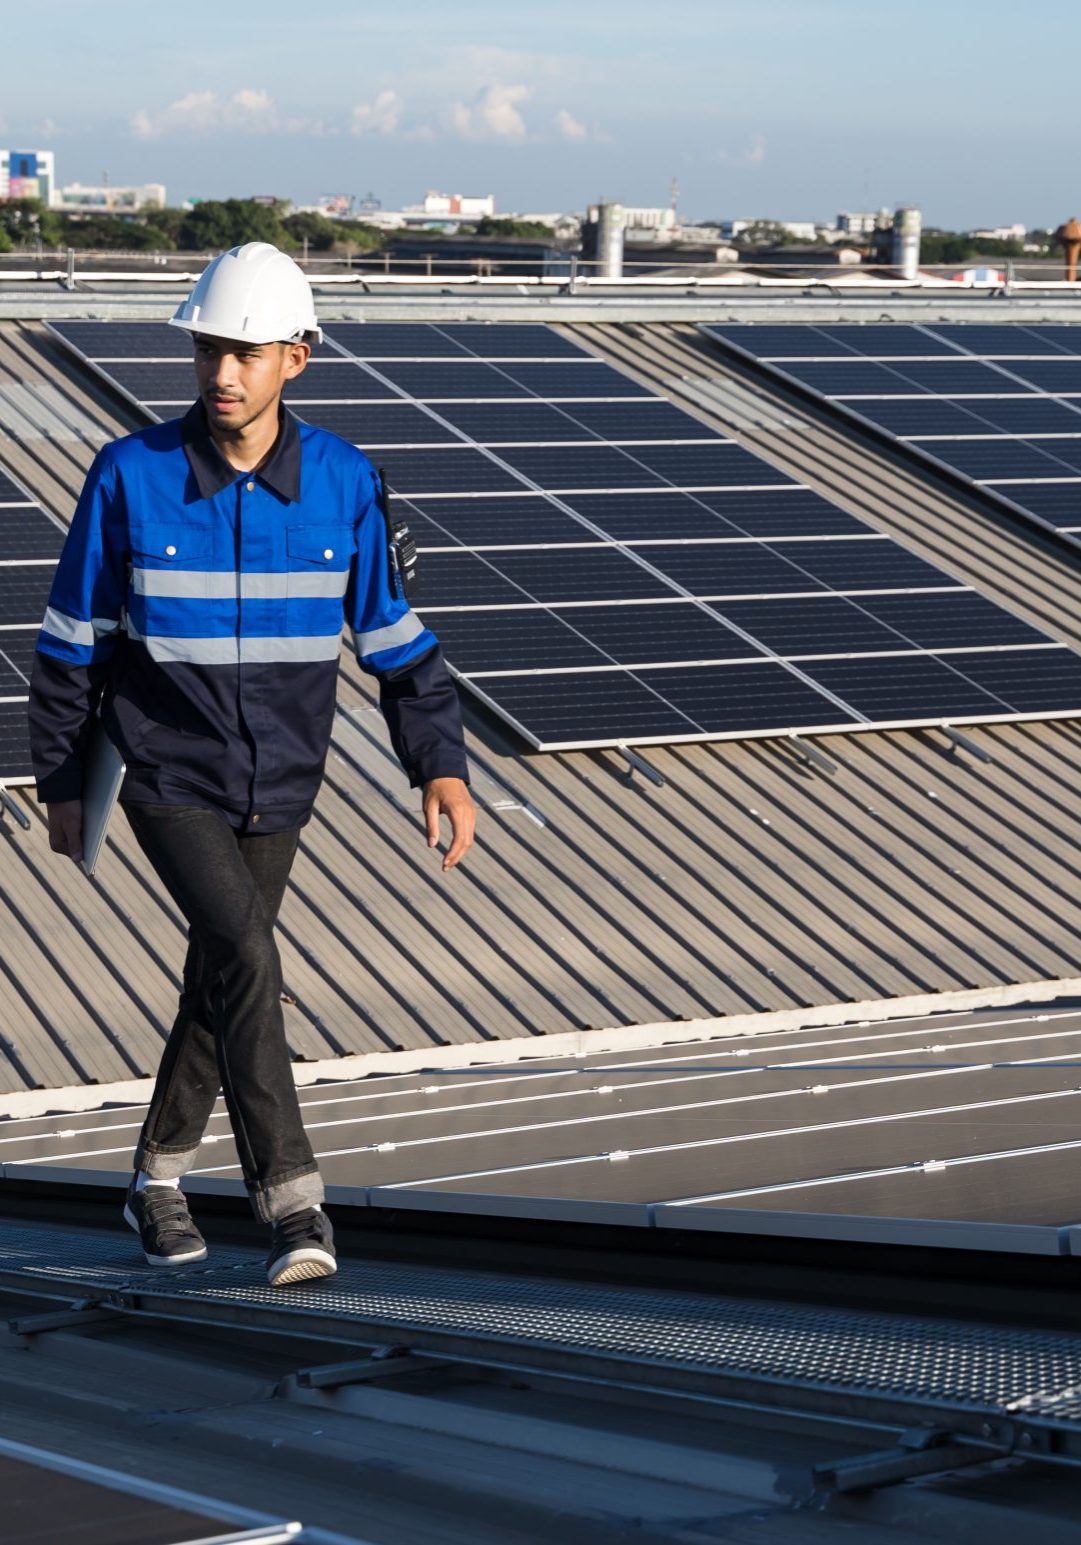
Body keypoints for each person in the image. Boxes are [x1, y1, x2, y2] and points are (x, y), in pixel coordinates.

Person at [27, 242, 475, 1286]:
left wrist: (438, 766)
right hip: (163, 771)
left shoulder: (344, 483)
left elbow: (397, 643)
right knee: (248, 956)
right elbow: (67, 642)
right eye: (207, 350)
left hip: (283, 781)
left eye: (244, 353)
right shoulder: (129, 474)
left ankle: (154, 1180)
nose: (221, 373)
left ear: (296, 360)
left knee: (221, 973)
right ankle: (292, 1206)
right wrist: (58, 779)